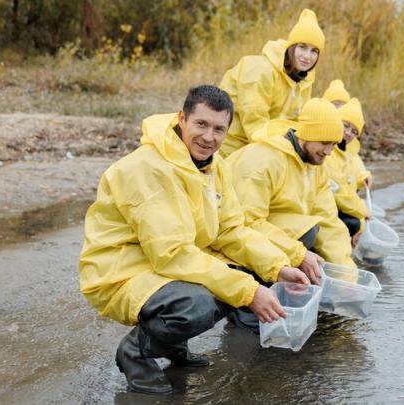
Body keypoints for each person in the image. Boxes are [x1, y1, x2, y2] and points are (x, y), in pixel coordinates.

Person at [78, 85, 308, 395]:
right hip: (121, 271)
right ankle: (135, 353)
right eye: (201, 124)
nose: (209, 137)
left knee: (247, 273)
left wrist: (278, 267)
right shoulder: (148, 168)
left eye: (219, 129)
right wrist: (248, 292)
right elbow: (172, 255)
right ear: (182, 119)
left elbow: (231, 231)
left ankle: (172, 346)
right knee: (197, 304)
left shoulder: (215, 165)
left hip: (161, 262)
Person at [225, 98, 357, 288]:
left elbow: (329, 221)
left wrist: (347, 277)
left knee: (315, 228)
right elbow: (247, 222)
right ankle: (250, 285)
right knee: (308, 232)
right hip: (232, 234)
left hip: (273, 232)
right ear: (307, 135)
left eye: (334, 144)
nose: (329, 151)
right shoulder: (263, 160)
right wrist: (299, 254)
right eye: (325, 143)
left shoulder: (316, 166)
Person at [218, 8, 325, 157]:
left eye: (314, 51)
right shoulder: (260, 70)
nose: (307, 56)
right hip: (229, 148)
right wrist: (290, 147)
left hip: (264, 147)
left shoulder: (304, 81)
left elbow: (298, 124)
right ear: (291, 47)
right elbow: (254, 124)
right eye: (302, 47)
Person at [324, 98, 370, 247]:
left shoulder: (344, 150)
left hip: (333, 203)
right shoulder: (328, 152)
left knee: (356, 222)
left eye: (354, 132)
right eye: (346, 126)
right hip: (323, 208)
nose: (348, 133)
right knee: (353, 223)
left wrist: (363, 176)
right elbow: (341, 194)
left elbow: (352, 176)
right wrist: (363, 212)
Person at [321, 79, 373, 191]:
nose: (339, 108)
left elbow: (354, 162)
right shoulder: (322, 136)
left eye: (343, 105)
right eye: (336, 104)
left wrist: (362, 175)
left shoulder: (347, 143)